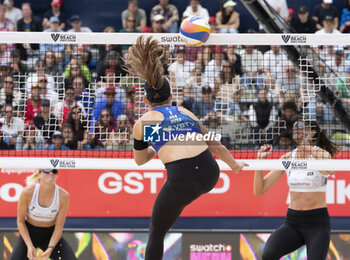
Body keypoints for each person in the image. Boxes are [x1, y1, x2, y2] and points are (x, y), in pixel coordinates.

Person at [126, 35, 248, 260]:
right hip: (211, 174)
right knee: (169, 214)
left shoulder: (143, 123)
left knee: (156, 232)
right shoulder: (186, 112)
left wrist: (155, 150)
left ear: (145, 101)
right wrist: (236, 165)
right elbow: (216, 146)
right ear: (172, 97)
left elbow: (141, 160)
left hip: (182, 179)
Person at [254, 120, 340, 259]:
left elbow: (330, 170)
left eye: (302, 128)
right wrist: (259, 162)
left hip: (317, 224)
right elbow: (260, 190)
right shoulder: (287, 158)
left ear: (312, 133)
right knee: (268, 254)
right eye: (295, 127)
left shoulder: (322, 155)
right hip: (293, 222)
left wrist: (306, 145)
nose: (297, 130)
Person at [10, 168, 77, 259]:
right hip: (30, 233)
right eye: (46, 170)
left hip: (50, 234)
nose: (50, 173)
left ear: (57, 175)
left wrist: (50, 248)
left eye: (54, 171)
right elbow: (21, 222)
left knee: (70, 258)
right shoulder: (27, 192)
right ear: (39, 174)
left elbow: (58, 227)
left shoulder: (63, 196)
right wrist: (29, 245)